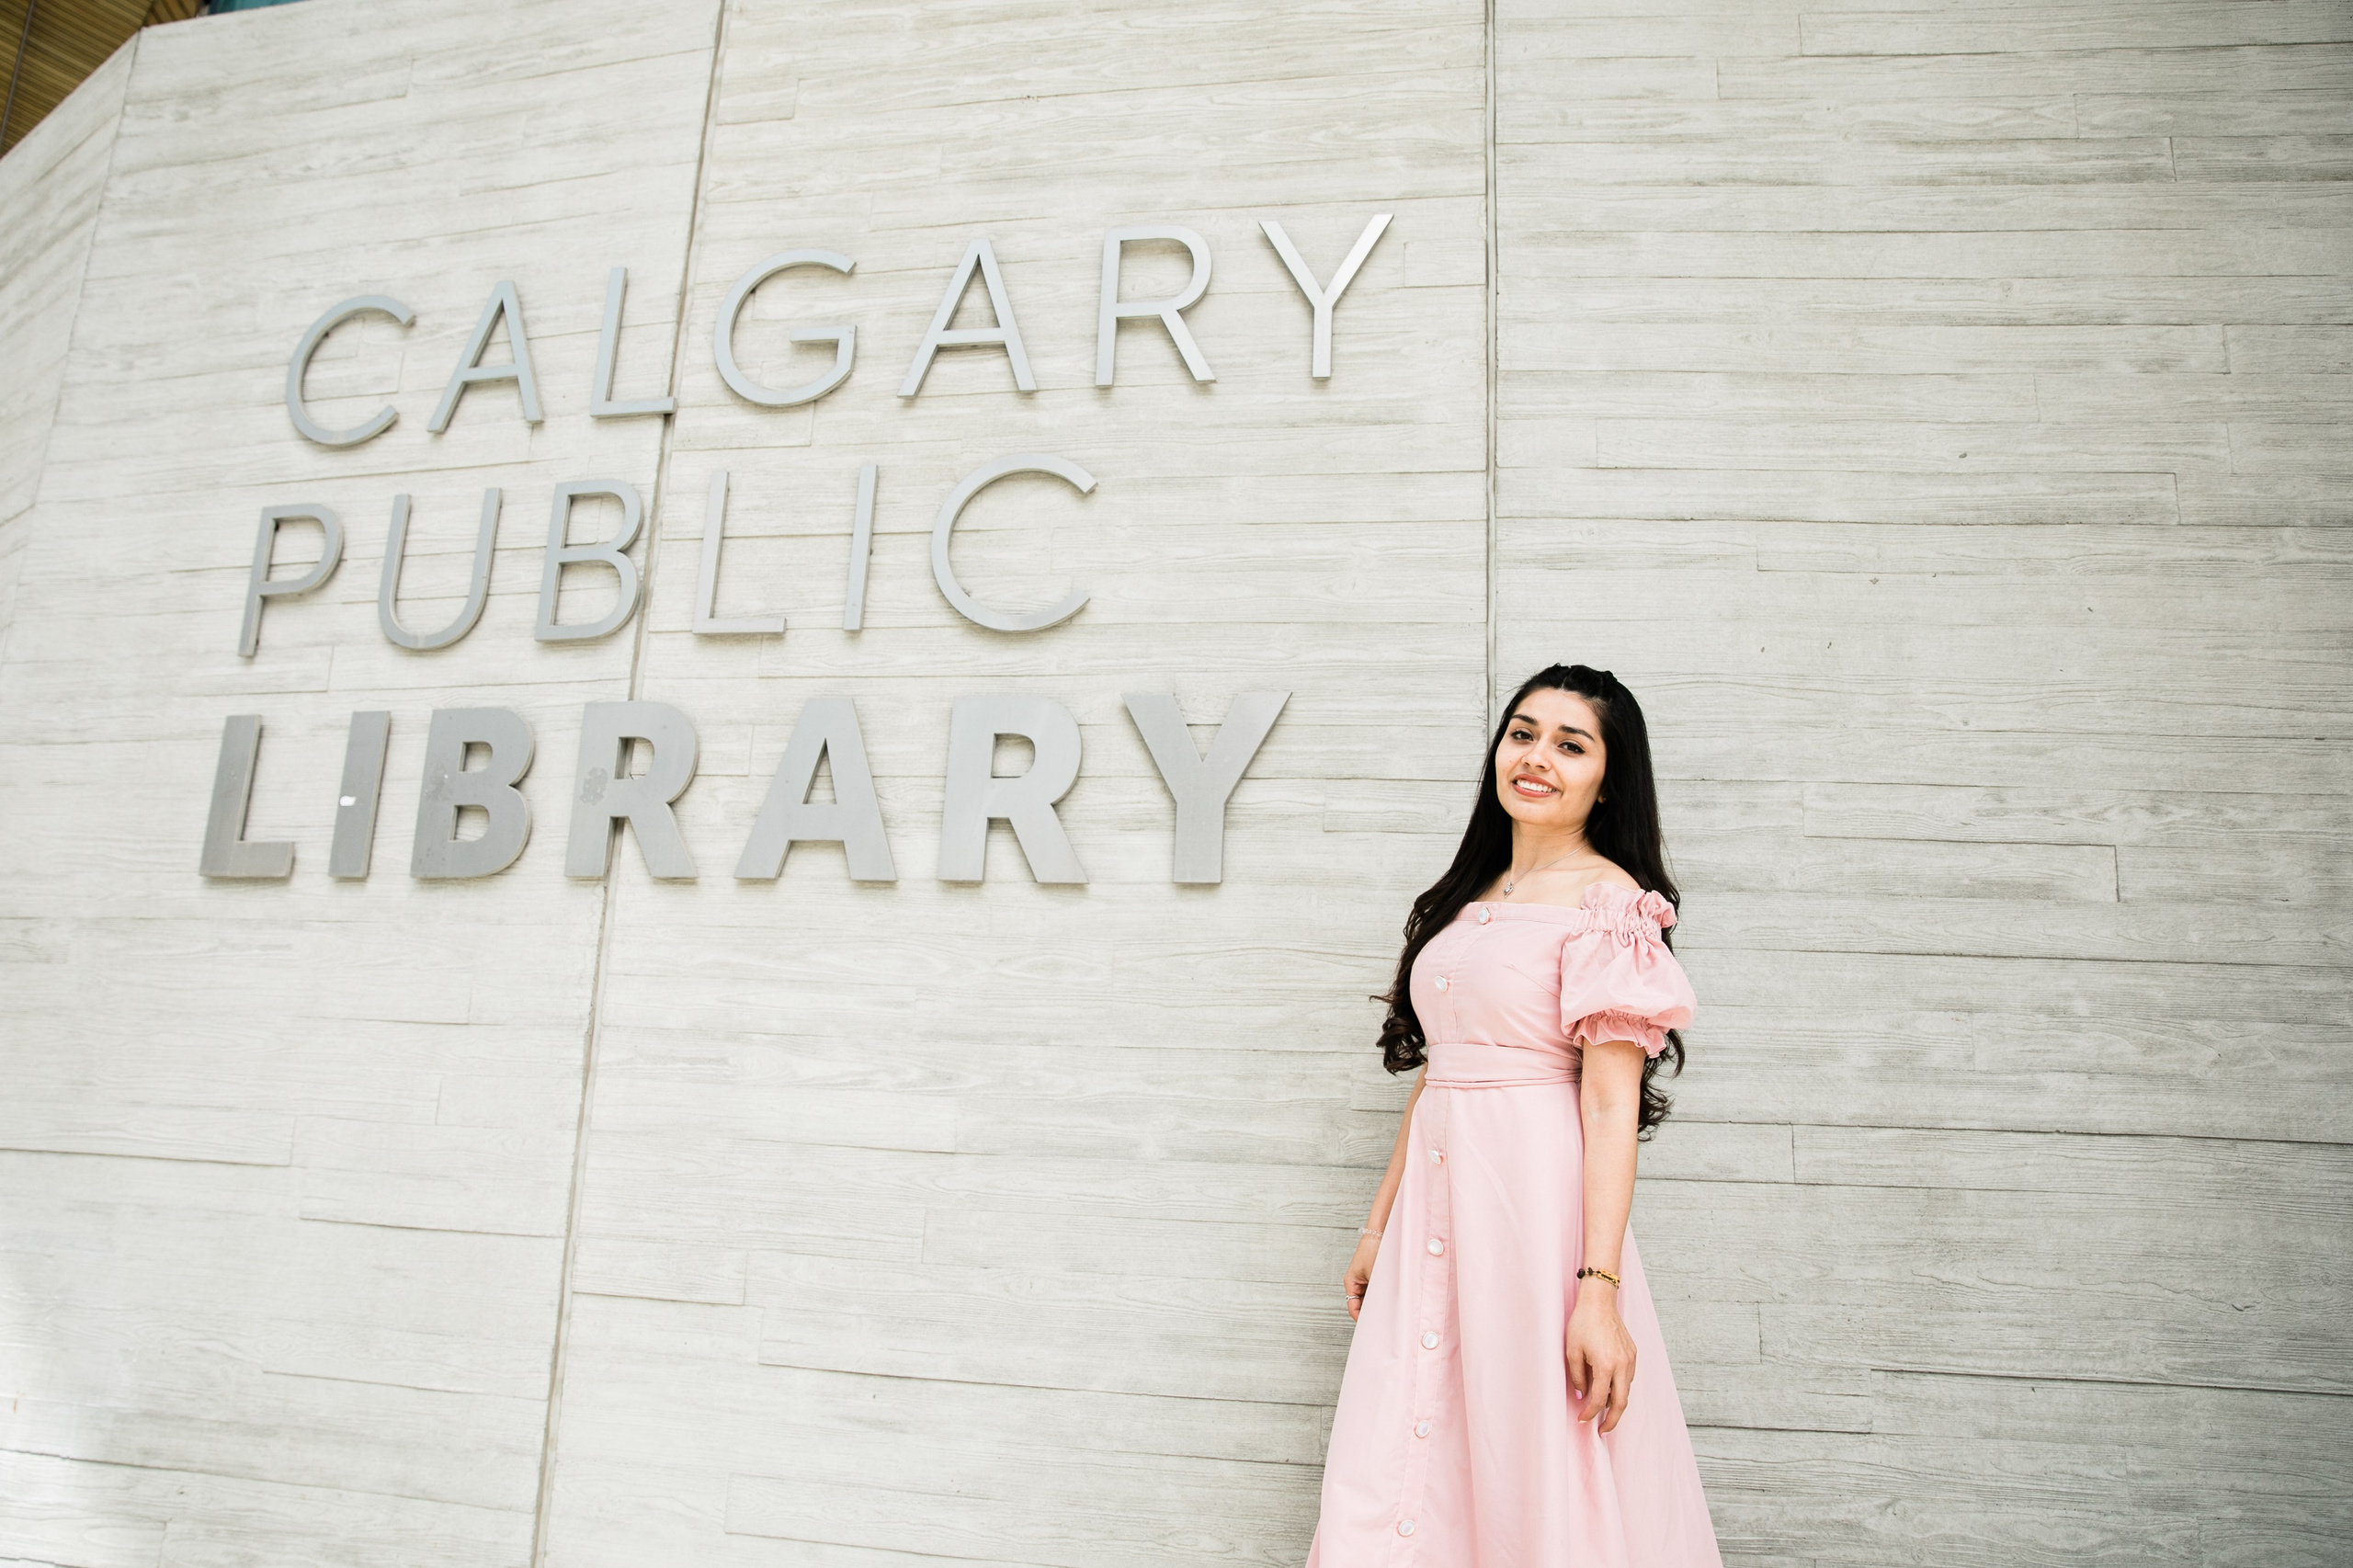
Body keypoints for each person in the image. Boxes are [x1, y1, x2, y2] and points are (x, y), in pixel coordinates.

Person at [1305, 664, 1722, 1567]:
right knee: (1413, 1431)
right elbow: (1437, 1075)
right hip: (1433, 1214)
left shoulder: (1610, 905)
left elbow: (1610, 1104)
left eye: (1570, 744)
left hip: (1532, 1213)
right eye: (1522, 732)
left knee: (1528, 1440)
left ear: (1607, 777)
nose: (1535, 757)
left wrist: (1597, 1290)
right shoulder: (1469, 895)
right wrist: (1378, 1223)